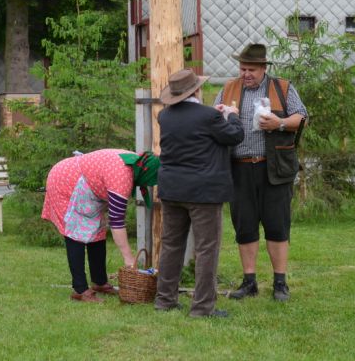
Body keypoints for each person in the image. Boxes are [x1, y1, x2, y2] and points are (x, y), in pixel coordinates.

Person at [213, 43, 308, 302]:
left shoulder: (282, 87)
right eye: (243, 68)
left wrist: (279, 123)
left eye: (251, 69)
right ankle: (249, 281)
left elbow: (301, 117)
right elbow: (213, 122)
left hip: (274, 168)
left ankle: (280, 283)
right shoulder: (229, 88)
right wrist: (220, 115)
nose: (246, 74)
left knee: (277, 226)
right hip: (239, 168)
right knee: (244, 227)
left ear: (263, 68)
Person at [155, 68, 244, 318]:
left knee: (172, 245)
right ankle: (203, 307)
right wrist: (232, 115)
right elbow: (235, 136)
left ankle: (165, 300)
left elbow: (195, 127)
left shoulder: (165, 116)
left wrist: (217, 116)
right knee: (206, 249)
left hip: (172, 188)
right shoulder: (208, 117)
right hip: (204, 192)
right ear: (196, 89)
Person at [42, 149, 160, 303]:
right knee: (75, 234)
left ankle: (99, 282)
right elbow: (117, 221)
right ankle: (80, 290)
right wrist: (129, 258)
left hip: (86, 185)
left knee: (97, 231)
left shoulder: (137, 162)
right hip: (65, 180)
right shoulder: (122, 177)